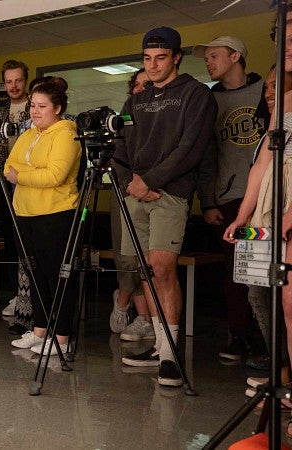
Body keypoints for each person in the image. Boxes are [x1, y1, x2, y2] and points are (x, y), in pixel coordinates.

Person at [114, 27, 217, 387]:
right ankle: (160, 347)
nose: (153, 64)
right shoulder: (135, 102)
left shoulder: (196, 94)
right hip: (135, 194)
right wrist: (131, 183)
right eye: (147, 58)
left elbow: (190, 149)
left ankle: (172, 355)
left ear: (176, 57)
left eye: (161, 57)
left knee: (161, 269)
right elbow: (118, 150)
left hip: (170, 194)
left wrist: (150, 181)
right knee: (145, 272)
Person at [193, 36, 270, 361]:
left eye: (214, 56)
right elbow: (206, 155)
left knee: (265, 273)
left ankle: (271, 345)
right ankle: (239, 336)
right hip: (228, 200)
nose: (208, 63)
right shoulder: (209, 100)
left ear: (236, 56)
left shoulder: (266, 90)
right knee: (236, 273)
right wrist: (208, 201)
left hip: (267, 197)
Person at [5, 77, 81, 356]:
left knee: (56, 276)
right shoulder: (28, 134)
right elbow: (7, 166)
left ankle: (61, 338)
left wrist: (22, 175)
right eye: (32, 106)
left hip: (55, 214)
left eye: (42, 106)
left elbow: (55, 175)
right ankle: (39, 331)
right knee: (34, 274)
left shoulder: (66, 133)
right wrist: (29, 173)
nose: (35, 111)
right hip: (24, 213)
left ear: (57, 108)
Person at [110, 68, 153, 341]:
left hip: (158, 192)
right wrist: (130, 185)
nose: (140, 89)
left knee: (147, 259)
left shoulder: (165, 120)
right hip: (124, 190)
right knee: (126, 256)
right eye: (136, 85)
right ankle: (136, 311)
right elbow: (117, 155)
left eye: (146, 85)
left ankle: (134, 308)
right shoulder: (125, 119)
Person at [0, 60, 33, 330]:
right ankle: (15, 295)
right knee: (10, 238)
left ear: (25, 80)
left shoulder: (37, 108)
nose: (13, 85)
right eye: (8, 81)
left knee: (27, 240)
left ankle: (29, 298)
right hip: (4, 182)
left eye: (18, 80)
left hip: (30, 182)